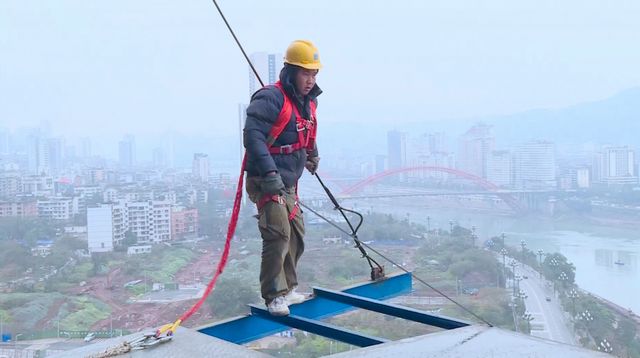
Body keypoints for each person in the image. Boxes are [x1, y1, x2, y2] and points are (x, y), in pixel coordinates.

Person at [243, 40, 322, 316]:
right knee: (278, 234)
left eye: (313, 74)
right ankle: (274, 296)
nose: (310, 80)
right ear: (290, 72)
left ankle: (288, 289)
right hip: (266, 179)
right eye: (305, 73)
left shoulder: (307, 103)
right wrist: (269, 173)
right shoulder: (271, 98)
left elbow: (304, 132)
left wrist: (312, 155)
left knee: (297, 234)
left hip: (287, 180)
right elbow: (252, 136)